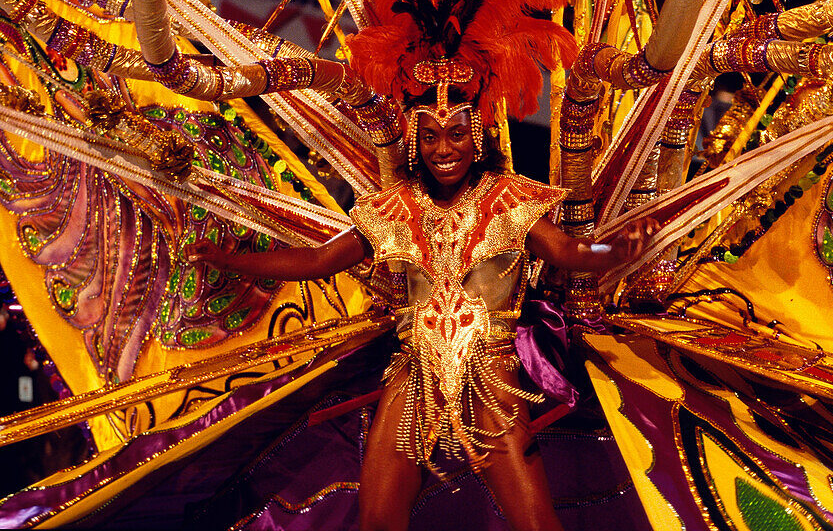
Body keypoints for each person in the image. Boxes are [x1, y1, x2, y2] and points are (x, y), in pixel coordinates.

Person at [185, 88, 655, 531]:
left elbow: (571, 254)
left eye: (455, 134)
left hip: (492, 375)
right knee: (378, 523)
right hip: (414, 376)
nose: (442, 149)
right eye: (429, 136)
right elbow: (318, 260)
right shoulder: (399, 207)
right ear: (415, 142)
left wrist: (615, 252)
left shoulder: (508, 198)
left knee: (534, 523)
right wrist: (230, 259)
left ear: (479, 137)